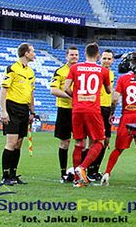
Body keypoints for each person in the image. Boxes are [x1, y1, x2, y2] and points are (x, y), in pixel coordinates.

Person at [64, 43, 112, 187]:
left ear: (85, 53)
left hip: (77, 109)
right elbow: (109, 91)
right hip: (93, 110)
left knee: (79, 143)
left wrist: (77, 98)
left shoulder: (74, 68)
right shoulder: (103, 70)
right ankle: (82, 168)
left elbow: (66, 88)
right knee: (99, 141)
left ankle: (77, 180)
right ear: (98, 55)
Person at [101, 67, 136, 186]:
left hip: (127, 115)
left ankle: (107, 173)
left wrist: (111, 113)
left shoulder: (123, 78)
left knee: (118, 148)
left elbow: (115, 98)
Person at [0, 42, 36, 185]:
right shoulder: (12, 69)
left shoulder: (31, 72)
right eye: (32, 51)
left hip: (24, 109)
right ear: (26, 53)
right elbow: (4, 90)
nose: (34, 54)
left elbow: (31, 93)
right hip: (12, 107)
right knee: (11, 142)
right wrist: (3, 111)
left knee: (19, 143)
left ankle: (14, 175)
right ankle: (5, 176)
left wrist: (32, 112)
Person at [49, 46, 79, 183]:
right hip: (65, 110)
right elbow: (53, 90)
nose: (74, 57)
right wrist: (72, 97)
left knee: (81, 142)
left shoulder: (81, 71)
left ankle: (79, 171)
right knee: (64, 142)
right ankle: (63, 173)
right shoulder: (60, 71)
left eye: (76, 55)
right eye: (71, 54)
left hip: (79, 111)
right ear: (66, 56)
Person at [87, 49, 115, 181]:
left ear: (112, 61)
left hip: (106, 109)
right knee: (94, 140)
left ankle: (96, 169)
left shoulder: (111, 74)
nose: (106, 61)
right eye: (104, 58)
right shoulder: (95, 72)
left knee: (106, 141)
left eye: (109, 59)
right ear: (100, 59)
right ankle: (88, 169)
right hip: (96, 108)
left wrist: (111, 111)